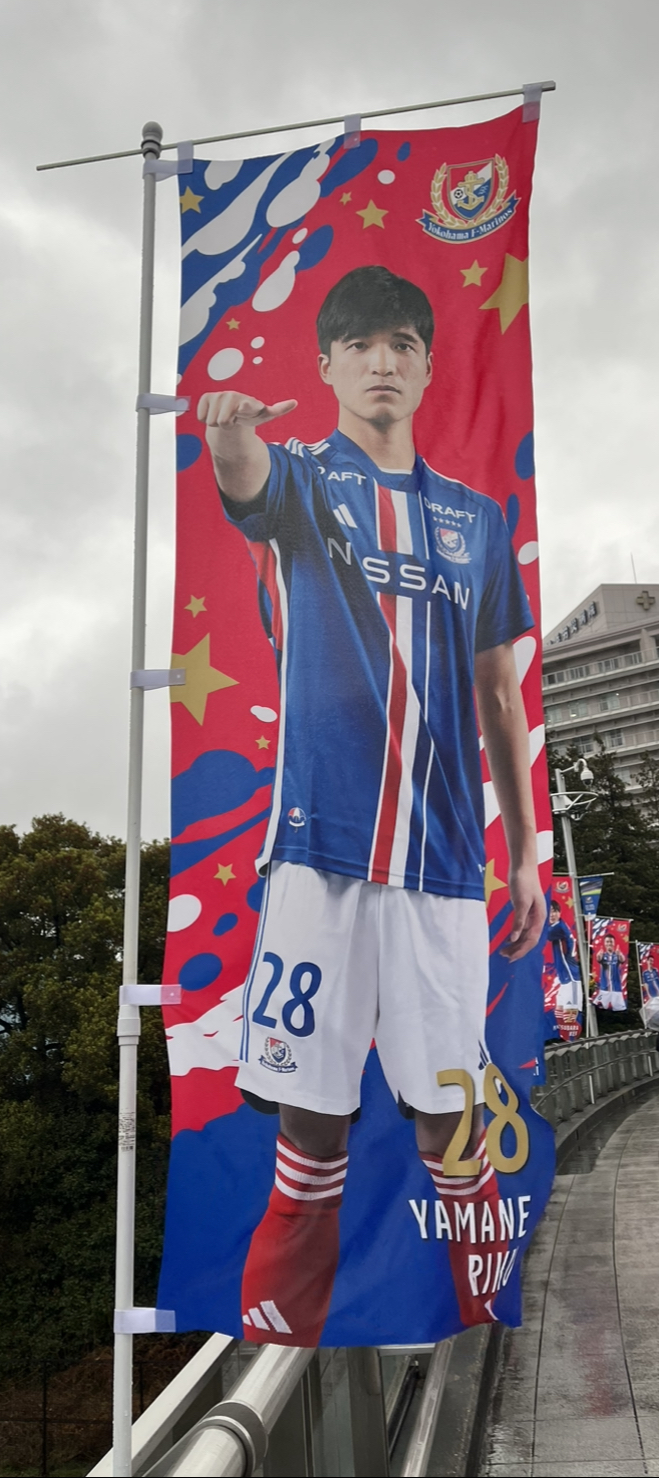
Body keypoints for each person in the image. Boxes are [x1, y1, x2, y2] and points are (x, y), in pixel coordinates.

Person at [197, 265, 545, 1343]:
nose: (382, 361)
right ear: (328, 365)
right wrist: (226, 430)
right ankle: (283, 1336)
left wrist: (524, 855)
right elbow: (245, 477)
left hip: (442, 862)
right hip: (320, 850)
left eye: (402, 343)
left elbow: (498, 693)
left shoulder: (475, 520)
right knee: (311, 1114)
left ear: (428, 366)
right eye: (360, 344)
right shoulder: (304, 481)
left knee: (449, 1116)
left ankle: (478, 1321)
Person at [547, 900, 582, 1010]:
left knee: (570, 1012)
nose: (551, 914)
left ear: (559, 912)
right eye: (549, 911)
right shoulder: (560, 925)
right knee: (560, 1010)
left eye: (554, 911)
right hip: (565, 975)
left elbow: (542, 935)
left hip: (570, 975)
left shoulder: (558, 927)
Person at [596, 932, 626, 1010]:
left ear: (614, 943)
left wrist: (620, 954)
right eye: (607, 941)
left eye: (611, 942)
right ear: (604, 943)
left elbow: (623, 960)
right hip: (604, 989)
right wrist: (599, 956)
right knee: (598, 1005)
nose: (609, 943)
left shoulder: (617, 955)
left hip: (616, 989)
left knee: (619, 1009)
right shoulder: (602, 955)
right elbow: (598, 958)